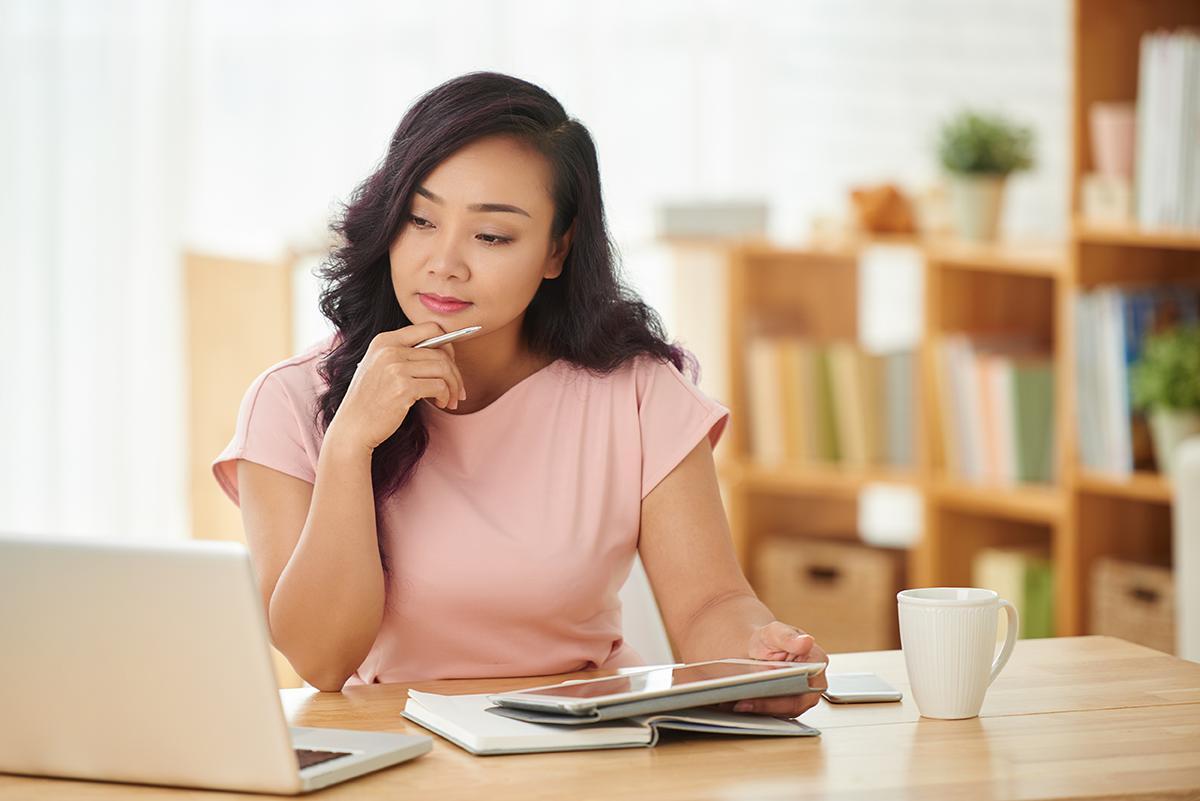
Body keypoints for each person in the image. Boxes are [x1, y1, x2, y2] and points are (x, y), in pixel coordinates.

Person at [212, 71, 828, 718]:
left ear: (556, 250)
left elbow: (709, 604)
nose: (444, 262)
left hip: (590, 746)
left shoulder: (638, 390)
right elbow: (320, 659)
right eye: (420, 219)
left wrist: (760, 654)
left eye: (492, 235)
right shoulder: (289, 401)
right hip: (396, 754)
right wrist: (348, 446)